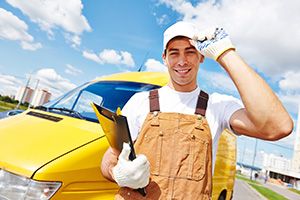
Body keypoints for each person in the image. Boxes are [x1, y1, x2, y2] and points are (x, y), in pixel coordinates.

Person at [101, 21, 293, 199]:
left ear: (202, 56)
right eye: (174, 53)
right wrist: (116, 173)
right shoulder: (140, 102)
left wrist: (226, 52)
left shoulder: (218, 106)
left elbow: (278, 126)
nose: (182, 61)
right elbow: (110, 157)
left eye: (190, 52)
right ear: (164, 58)